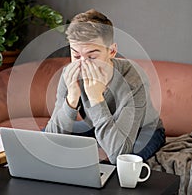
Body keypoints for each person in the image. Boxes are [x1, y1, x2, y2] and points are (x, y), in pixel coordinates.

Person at [45, 9, 165, 164]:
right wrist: (72, 97)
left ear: (112, 51)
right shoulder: (70, 74)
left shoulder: (133, 78)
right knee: (43, 139)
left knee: (123, 162)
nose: (83, 64)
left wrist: (96, 98)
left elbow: (118, 153)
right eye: (76, 55)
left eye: (92, 56)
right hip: (98, 125)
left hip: (144, 130)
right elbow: (50, 138)